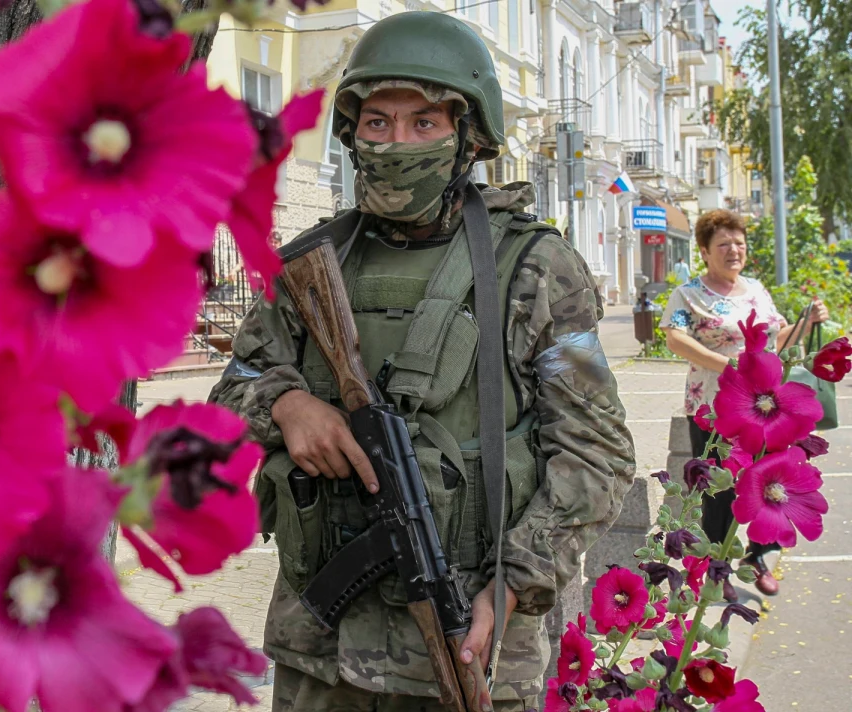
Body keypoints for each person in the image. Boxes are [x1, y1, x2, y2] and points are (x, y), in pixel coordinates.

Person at [209, 12, 636, 711]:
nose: (395, 143)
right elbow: (236, 384)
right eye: (377, 123)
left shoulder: (537, 268)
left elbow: (597, 451)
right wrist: (287, 405)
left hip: (470, 637)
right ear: (351, 133)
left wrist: (513, 584)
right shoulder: (311, 265)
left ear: (470, 138)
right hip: (321, 655)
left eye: (424, 123)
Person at [661, 209, 828, 596]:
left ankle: (757, 556)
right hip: (715, 410)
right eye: (723, 244)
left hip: (767, 412)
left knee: (769, 479)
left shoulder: (756, 289)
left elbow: (775, 340)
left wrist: (807, 322)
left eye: (739, 243)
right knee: (718, 489)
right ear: (705, 251)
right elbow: (674, 339)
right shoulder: (689, 294)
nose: (734, 250)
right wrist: (728, 365)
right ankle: (715, 567)